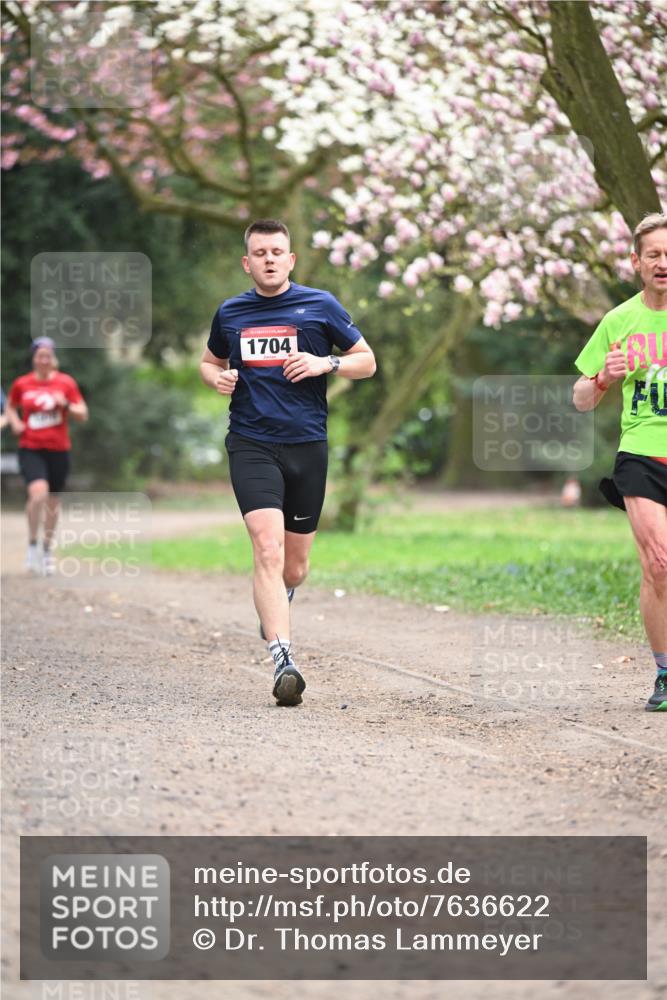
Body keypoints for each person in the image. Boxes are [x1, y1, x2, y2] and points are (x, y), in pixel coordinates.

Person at [200, 219, 376, 706]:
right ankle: (283, 658)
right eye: (260, 253)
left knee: (293, 568)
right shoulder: (231, 312)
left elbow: (368, 360)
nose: (269, 259)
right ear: (247, 262)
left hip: (307, 446)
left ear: (291, 259)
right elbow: (209, 361)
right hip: (252, 444)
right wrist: (215, 379)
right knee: (267, 549)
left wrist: (327, 363)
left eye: (278, 251)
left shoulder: (320, 305)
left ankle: (278, 600)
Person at [572, 212, 667, 712]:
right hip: (642, 453)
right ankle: (665, 674)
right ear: (636, 261)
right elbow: (581, 398)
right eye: (653, 254)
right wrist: (604, 379)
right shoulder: (620, 320)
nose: (663, 263)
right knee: (659, 563)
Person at [6, 337, 88, 575]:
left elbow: (82, 413)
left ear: (53, 359)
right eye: (39, 355)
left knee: (53, 502)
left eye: (48, 356)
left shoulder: (66, 383)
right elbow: (10, 406)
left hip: (59, 450)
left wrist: (66, 406)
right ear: (33, 359)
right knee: (38, 494)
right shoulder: (22, 384)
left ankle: (46, 549)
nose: (44, 360)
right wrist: (15, 422)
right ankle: (32, 544)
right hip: (30, 447)